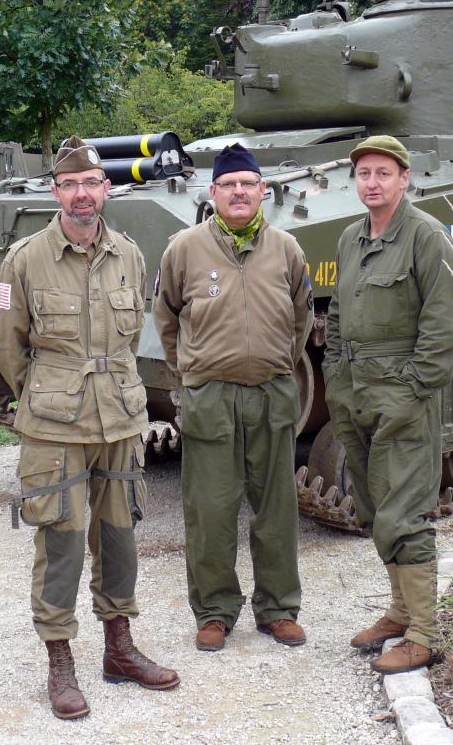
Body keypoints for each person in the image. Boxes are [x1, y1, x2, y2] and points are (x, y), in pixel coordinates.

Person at [0, 135, 179, 720]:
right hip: (55, 426)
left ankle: (119, 647)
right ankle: (60, 659)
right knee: (61, 540)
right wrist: (45, 393)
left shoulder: (129, 253)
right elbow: (4, 342)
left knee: (120, 536)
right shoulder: (22, 259)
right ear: (55, 191)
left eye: (91, 184)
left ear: (107, 189)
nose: (81, 195)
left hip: (119, 418)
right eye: (69, 184)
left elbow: (135, 330)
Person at [153, 143, 311, 652]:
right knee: (210, 510)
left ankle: (278, 608)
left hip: (270, 394)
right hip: (212, 398)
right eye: (229, 184)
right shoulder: (184, 248)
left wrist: (276, 363)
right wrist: (192, 374)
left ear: (263, 191)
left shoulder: (287, 248)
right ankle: (215, 611)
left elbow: (300, 318)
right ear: (213, 192)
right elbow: (167, 316)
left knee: (277, 509)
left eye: (248, 183)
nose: (239, 192)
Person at [322, 136, 453, 675]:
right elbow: (337, 313)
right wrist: (335, 374)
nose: (373, 182)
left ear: (405, 179)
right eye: (364, 173)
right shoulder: (351, 239)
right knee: (375, 508)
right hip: (355, 392)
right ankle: (400, 612)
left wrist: (410, 390)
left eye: (384, 173)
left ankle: (424, 635)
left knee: (405, 512)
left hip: (401, 397)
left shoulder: (425, 238)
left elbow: (446, 323)